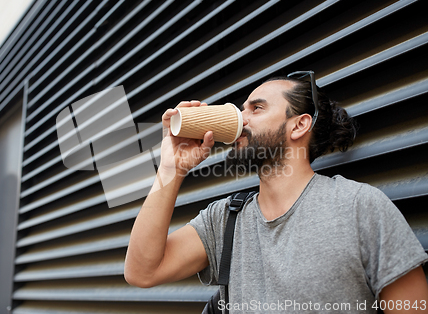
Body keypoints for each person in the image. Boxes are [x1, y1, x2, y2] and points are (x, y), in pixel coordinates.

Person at [124, 72, 428, 313]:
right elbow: (142, 272)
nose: (241, 119)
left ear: (299, 125)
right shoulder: (226, 218)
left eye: (256, 108)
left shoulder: (358, 206)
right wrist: (171, 168)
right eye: (243, 109)